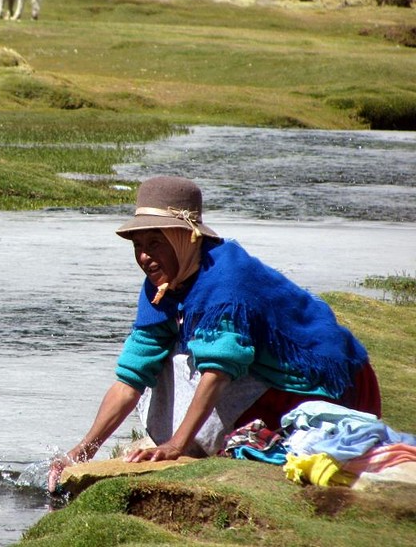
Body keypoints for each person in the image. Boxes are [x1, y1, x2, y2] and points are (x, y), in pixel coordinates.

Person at [48, 175, 381, 492]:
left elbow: (219, 371)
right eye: (138, 245)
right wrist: (83, 451)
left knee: (198, 357)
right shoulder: (163, 284)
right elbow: (130, 377)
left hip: (331, 385)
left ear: (186, 237)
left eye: (154, 242)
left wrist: (175, 445)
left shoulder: (225, 280)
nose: (145, 256)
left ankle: (194, 444)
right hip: (268, 379)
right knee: (163, 358)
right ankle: (194, 441)